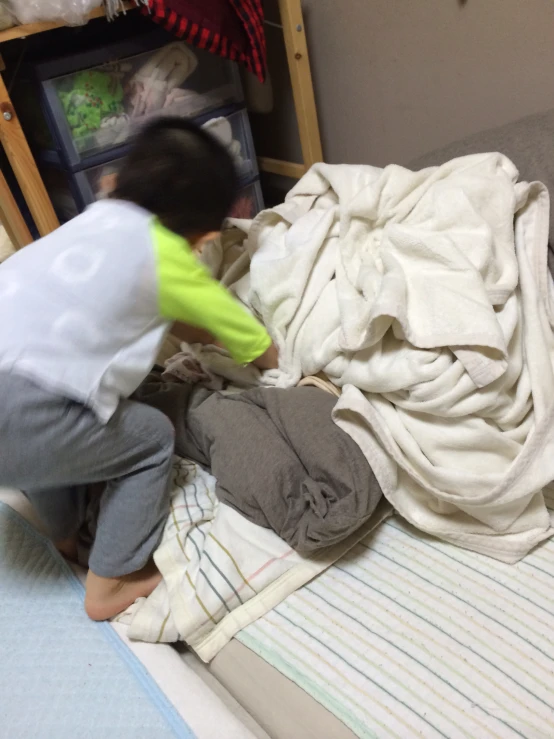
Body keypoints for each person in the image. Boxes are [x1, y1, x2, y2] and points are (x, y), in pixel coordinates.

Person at [0, 117, 277, 621]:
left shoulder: (93, 219)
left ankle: (62, 535)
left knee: (54, 417)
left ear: (115, 183)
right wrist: (282, 364)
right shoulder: (169, 258)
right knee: (148, 438)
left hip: (15, 409)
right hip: (23, 419)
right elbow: (243, 334)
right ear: (204, 234)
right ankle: (108, 584)